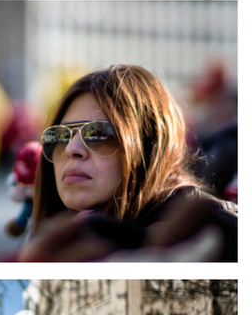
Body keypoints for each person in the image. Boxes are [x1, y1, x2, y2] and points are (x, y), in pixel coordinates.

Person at [19, 64, 237, 262]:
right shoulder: (56, 241)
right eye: (59, 136)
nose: (71, 149)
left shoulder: (212, 233)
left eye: (98, 134)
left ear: (149, 146)